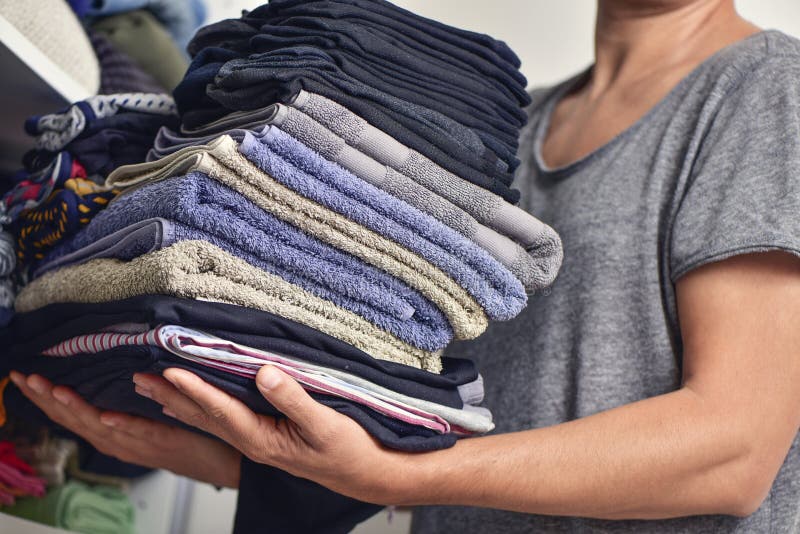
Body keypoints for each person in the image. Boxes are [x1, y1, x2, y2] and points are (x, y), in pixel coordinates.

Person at [10, 0, 800, 531]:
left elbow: (732, 447)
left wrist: (405, 480)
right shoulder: (491, 136)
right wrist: (229, 452)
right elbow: (430, 422)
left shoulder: (765, 86)